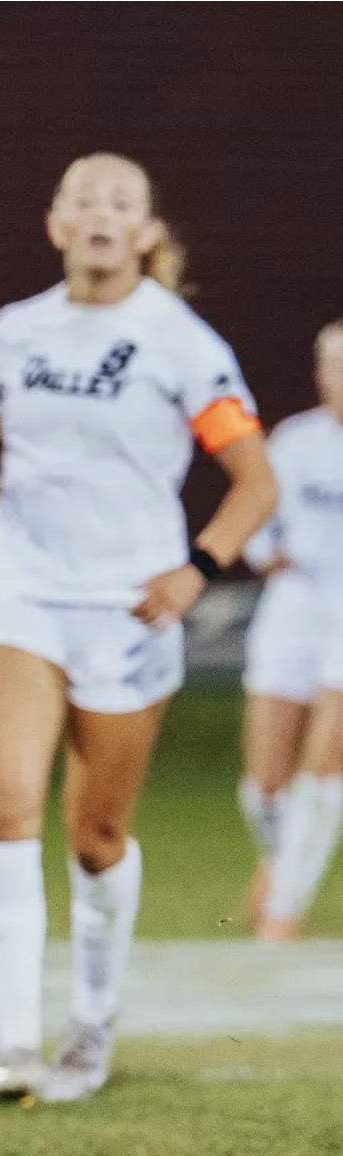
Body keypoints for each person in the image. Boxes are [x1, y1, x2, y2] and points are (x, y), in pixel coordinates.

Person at [0, 153, 276, 1103]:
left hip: (127, 608)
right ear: (54, 225)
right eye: (82, 199)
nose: (99, 214)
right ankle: (14, 1042)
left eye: (118, 203)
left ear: (143, 233)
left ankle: (91, 1020)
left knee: (95, 837)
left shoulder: (179, 342)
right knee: (7, 806)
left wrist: (196, 568)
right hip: (20, 586)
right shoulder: (17, 331)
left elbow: (255, 483)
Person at [249, 321, 343, 941]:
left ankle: (280, 916)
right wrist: (267, 552)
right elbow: (258, 524)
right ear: (321, 374)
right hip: (294, 609)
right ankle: (282, 873)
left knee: (324, 773)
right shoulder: (295, 442)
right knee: (263, 787)